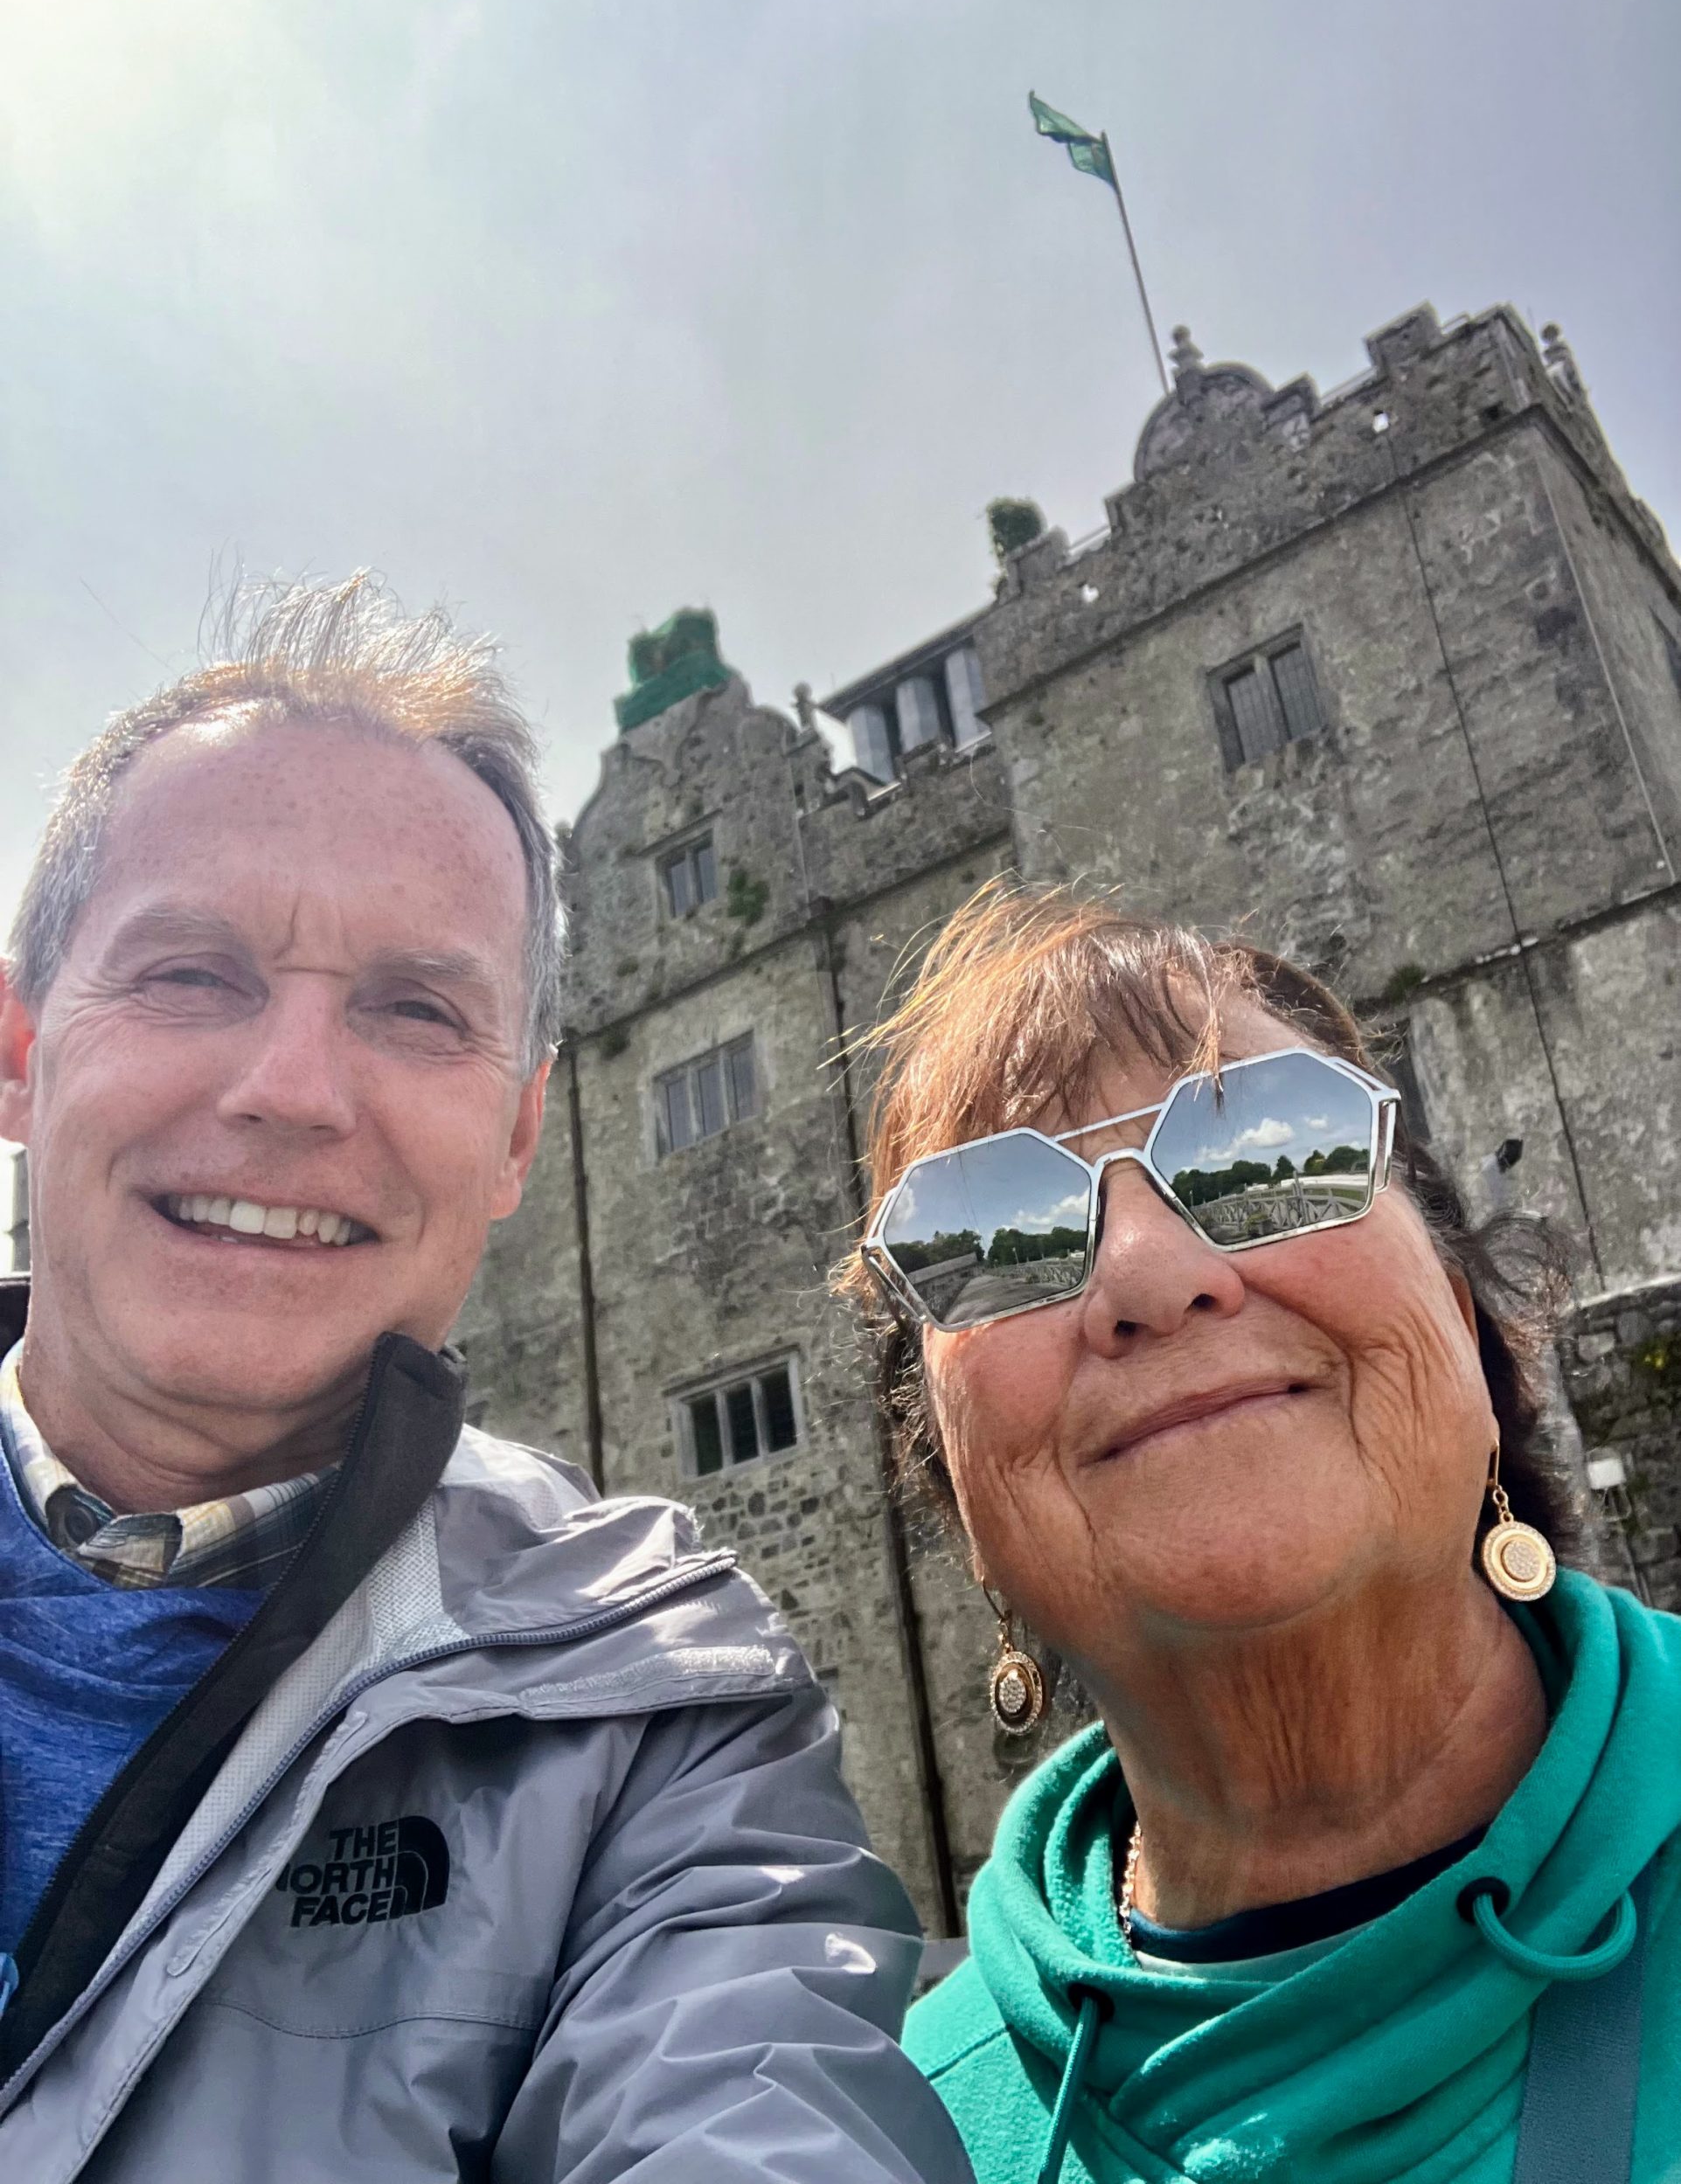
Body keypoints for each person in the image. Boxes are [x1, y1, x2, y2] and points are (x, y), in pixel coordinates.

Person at [0, 574, 970, 2182]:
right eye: (193, 974)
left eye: (416, 1008)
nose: (295, 1089)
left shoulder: (658, 1704)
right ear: (23, 1052)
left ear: (521, 1133)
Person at [838, 880, 1681, 2183]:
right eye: (991, 1233)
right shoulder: (885, 2142)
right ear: (955, 1487)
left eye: (1274, 1150)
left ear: (1465, 1319)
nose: (1148, 1272)